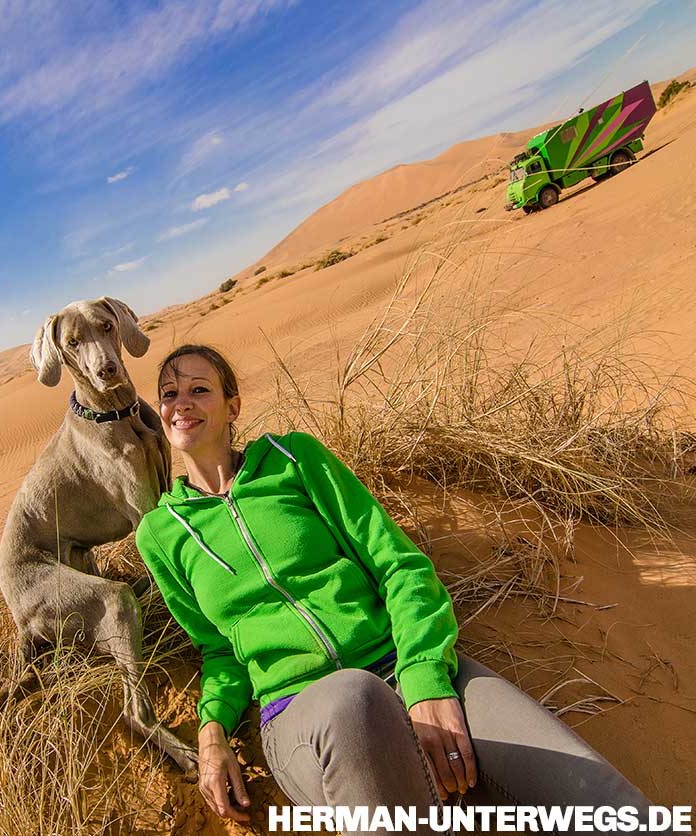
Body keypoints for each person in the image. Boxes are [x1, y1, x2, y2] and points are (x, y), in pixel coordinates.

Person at [134, 343, 659, 831]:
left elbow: (399, 565)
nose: (183, 404)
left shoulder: (294, 459)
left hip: (400, 665)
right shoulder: (160, 534)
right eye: (169, 394)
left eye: (200, 389)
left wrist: (425, 678)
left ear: (233, 404)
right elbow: (218, 647)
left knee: (614, 810)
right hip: (302, 716)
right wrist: (212, 729)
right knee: (352, 697)